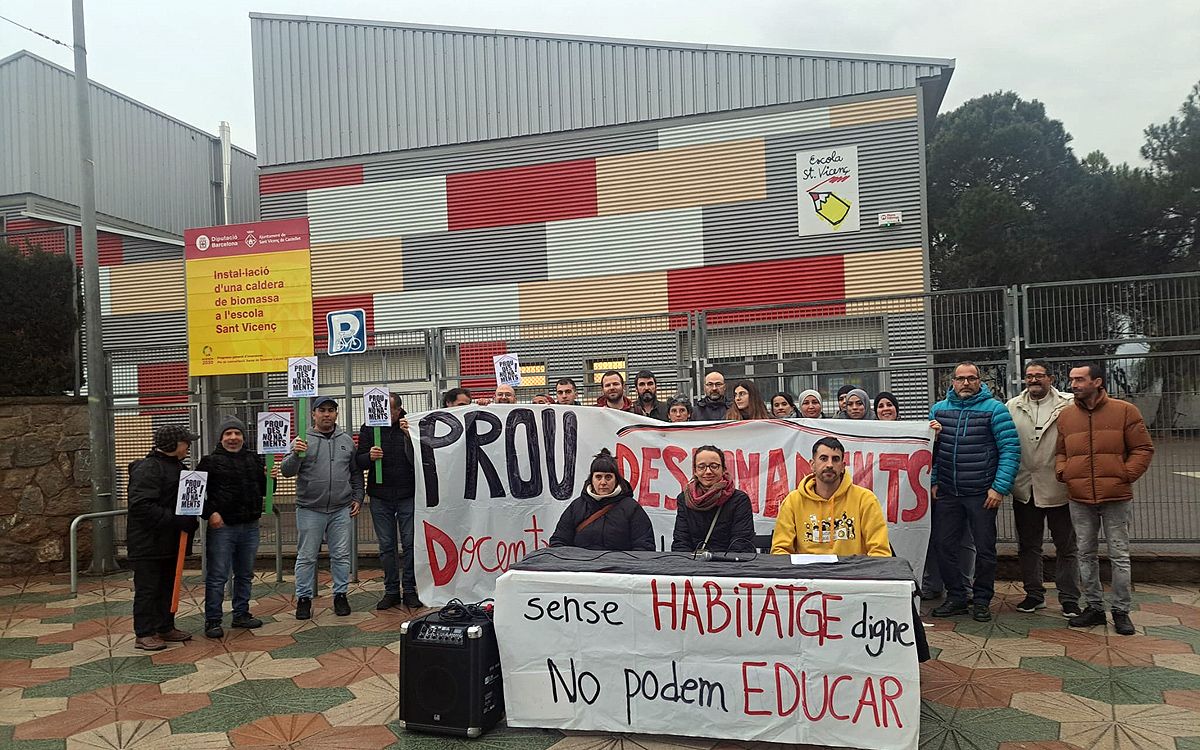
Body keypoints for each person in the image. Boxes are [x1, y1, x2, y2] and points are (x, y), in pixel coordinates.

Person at [1057, 362, 1154, 635]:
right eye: (1072, 380)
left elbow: (1143, 449)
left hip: (1116, 496)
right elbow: (1061, 451)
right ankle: (1095, 608)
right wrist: (1063, 471)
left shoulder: (1124, 411)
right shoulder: (1066, 416)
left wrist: (1125, 474)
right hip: (1079, 497)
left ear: (1097, 382)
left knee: (1119, 555)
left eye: (1079, 380)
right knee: (1085, 554)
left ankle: (1121, 611)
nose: (1073, 385)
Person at [928, 362, 1020, 622]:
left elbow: (1010, 450)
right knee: (943, 546)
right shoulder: (938, 411)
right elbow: (932, 451)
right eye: (960, 379)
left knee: (985, 550)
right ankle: (956, 596)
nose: (965, 383)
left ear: (980, 381)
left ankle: (981, 599)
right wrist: (935, 481)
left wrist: (998, 488)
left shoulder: (995, 410)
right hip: (948, 492)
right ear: (952, 382)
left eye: (971, 378)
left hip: (982, 493)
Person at [1005, 361, 1081, 617]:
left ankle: (1069, 598)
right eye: (1029, 376)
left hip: (1059, 488)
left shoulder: (1069, 404)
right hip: (1025, 488)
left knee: (1067, 547)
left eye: (1039, 376)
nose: (1034, 380)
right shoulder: (1012, 406)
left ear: (1050, 378)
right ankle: (1033, 594)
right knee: (1028, 546)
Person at [281, 397, 363, 620]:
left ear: (336, 414)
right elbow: (287, 471)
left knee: (341, 555)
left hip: (340, 508)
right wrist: (296, 455)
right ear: (313, 414)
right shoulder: (301, 440)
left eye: (331, 410)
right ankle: (304, 599)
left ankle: (340, 595)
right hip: (310, 508)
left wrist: (358, 496)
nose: (327, 414)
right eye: (322, 410)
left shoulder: (347, 440)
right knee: (307, 556)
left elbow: (354, 472)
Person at [126, 424, 201, 651]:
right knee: (148, 589)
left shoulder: (178, 466)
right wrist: (176, 519)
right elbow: (141, 505)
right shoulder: (149, 469)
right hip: (148, 544)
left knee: (168, 585)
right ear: (175, 445)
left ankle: (165, 626)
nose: (188, 446)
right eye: (185, 442)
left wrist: (190, 517)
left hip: (170, 542)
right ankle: (144, 632)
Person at [198, 416, 268, 639]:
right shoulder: (208, 462)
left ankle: (241, 614)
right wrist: (210, 514)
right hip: (223, 527)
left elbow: (265, 491)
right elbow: (195, 493)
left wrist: (270, 478)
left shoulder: (254, 459)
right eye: (228, 434)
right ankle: (213, 620)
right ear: (221, 438)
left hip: (250, 525)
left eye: (237, 433)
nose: (233, 438)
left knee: (245, 574)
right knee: (218, 575)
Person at [355, 393, 423, 610]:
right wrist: (369, 457)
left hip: (408, 494)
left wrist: (409, 436)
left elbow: (425, 455)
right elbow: (359, 461)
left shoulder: (411, 424)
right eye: (384, 410)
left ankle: (410, 588)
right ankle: (391, 590)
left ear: (399, 409)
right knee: (386, 546)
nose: (387, 414)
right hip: (380, 495)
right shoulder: (369, 428)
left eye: (391, 410)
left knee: (411, 544)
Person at [771, 437, 890, 556]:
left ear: (843, 466)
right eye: (823, 459)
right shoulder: (793, 501)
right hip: (807, 573)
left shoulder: (865, 500)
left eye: (835, 459)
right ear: (812, 464)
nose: (829, 464)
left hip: (852, 573)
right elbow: (780, 551)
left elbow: (880, 552)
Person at [550, 449, 654, 551]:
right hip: (581, 567)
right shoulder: (576, 507)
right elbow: (558, 542)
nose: (603, 482)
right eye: (598, 477)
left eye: (608, 477)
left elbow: (644, 547)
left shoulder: (632, 508)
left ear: (616, 480)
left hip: (619, 567)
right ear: (591, 479)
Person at [671, 446, 756, 554]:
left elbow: (741, 544)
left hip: (729, 565)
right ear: (695, 471)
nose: (708, 471)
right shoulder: (684, 499)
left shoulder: (739, 500)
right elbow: (681, 541)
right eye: (701, 467)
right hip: (692, 565)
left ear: (724, 469)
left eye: (714, 466)